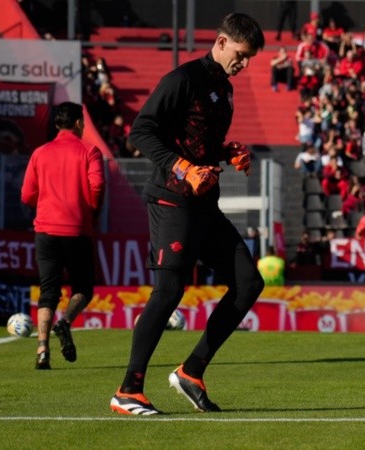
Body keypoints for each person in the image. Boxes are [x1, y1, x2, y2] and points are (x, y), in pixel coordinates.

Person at [110, 13, 265, 416]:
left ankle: (191, 372)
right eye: (241, 55)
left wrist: (227, 152)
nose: (244, 64)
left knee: (248, 282)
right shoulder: (182, 79)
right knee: (169, 292)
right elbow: (140, 131)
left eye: (249, 58)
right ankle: (128, 390)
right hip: (171, 200)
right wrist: (182, 167)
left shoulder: (224, 90)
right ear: (221, 42)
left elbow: (201, 143)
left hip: (204, 203)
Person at [20, 102, 106, 370]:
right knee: (83, 288)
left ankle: (42, 348)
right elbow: (98, 185)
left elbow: (26, 195)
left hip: (45, 229)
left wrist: (46, 201)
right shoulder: (90, 151)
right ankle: (65, 322)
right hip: (77, 229)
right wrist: (91, 210)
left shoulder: (40, 153)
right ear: (79, 123)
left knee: (48, 292)